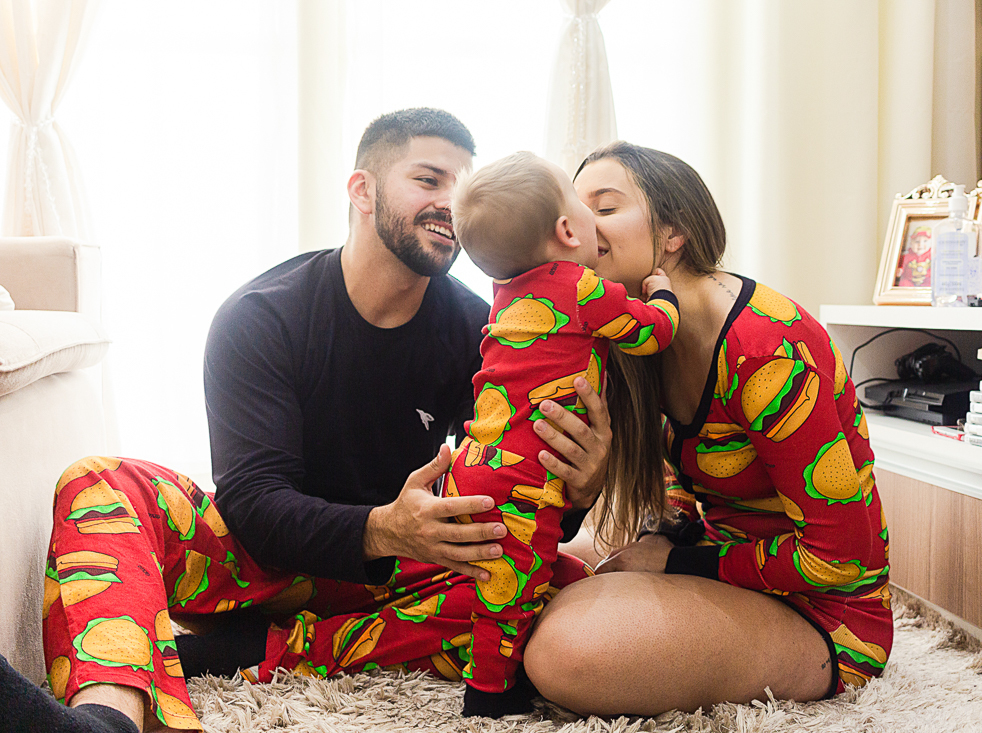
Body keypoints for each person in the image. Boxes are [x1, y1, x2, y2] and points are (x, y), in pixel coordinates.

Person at [5, 109, 611, 732]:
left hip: (396, 577)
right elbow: (253, 506)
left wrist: (580, 490)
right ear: (362, 191)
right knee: (99, 481)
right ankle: (104, 719)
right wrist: (381, 530)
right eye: (429, 179)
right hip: (265, 557)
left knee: (553, 587)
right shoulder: (260, 315)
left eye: (462, 185)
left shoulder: (482, 330)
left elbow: (520, 512)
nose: (450, 203)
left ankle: (242, 650)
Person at [523, 142, 893, 716]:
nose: (578, 224)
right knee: (534, 565)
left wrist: (672, 563)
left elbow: (843, 557)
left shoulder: (768, 350)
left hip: (824, 613)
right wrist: (646, 524)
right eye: (576, 207)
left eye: (606, 206)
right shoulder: (640, 333)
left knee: (561, 650)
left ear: (674, 232)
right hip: (725, 556)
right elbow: (685, 476)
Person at [446, 151, 679, 716]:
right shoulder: (581, 288)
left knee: (515, 573)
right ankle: (489, 693)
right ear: (569, 229)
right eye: (585, 203)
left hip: (476, 459)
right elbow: (651, 334)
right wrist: (662, 294)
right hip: (525, 476)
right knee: (511, 589)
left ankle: (503, 654)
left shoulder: (508, 294)